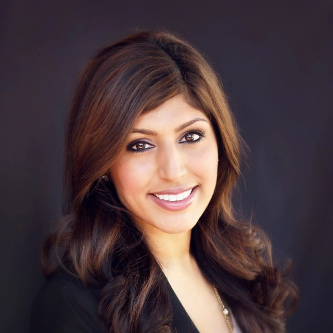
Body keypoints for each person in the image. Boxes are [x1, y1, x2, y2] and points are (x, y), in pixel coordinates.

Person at [31, 30, 298, 333]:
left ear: (220, 142)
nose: (173, 170)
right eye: (140, 145)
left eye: (191, 136)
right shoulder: (71, 306)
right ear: (102, 163)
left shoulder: (242, 272)